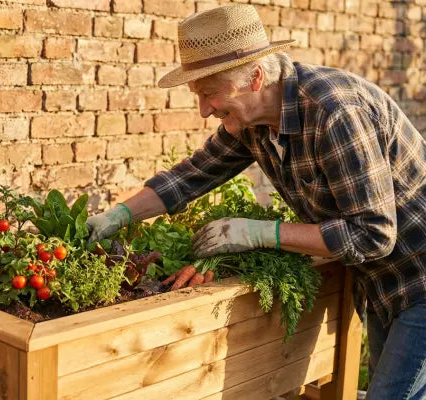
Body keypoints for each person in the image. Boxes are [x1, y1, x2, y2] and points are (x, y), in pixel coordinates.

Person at [85, 4, 426, 399]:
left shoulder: (334, 112)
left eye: (209, 93)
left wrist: (259, 232)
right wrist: (120, 214)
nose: (203, 110)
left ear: (256, 77)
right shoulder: (253, 121)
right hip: (385, 282)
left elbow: (372, 235)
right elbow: (191, 176)